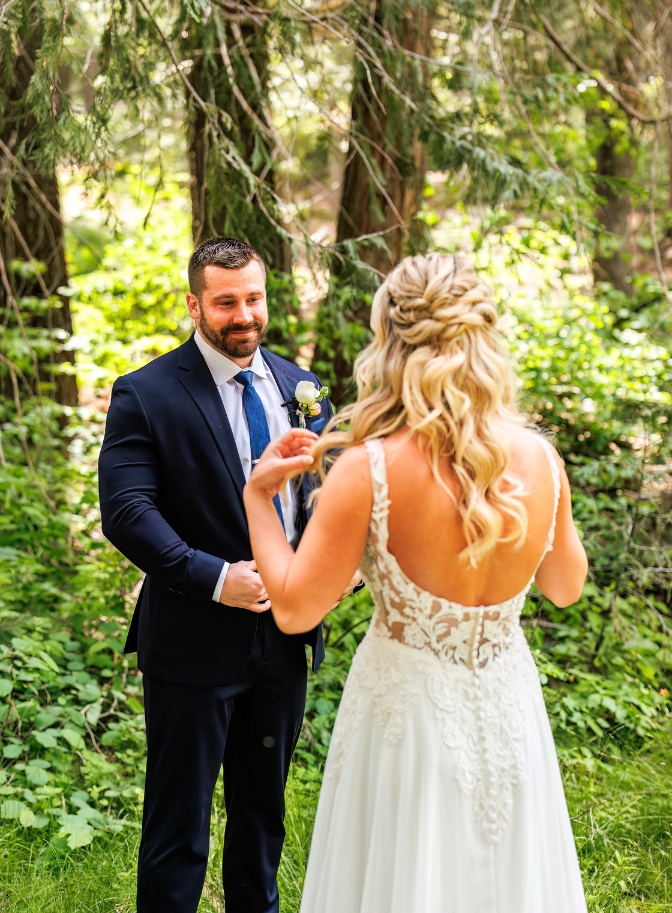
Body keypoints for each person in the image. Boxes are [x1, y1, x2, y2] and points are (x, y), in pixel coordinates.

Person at [243, 253, 590, 913]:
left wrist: (259, 499)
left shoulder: (369, 469)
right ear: (485, 337)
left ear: (390, 342)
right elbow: (566, 585)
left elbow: (292, 609)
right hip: (509, 711)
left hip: (408, 722)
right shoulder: (540, 459)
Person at [98, 237, 339, 913]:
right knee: (180, 828)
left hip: (283, 638)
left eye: (254, 298)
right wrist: (212, 576)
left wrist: (326, 571)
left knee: (263, 817)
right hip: (193, 638)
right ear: (194, 304)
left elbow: (324, 500)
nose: (244, 315)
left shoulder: (300, 388)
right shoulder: (145, 393)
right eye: (226, 301)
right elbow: (127, 512)